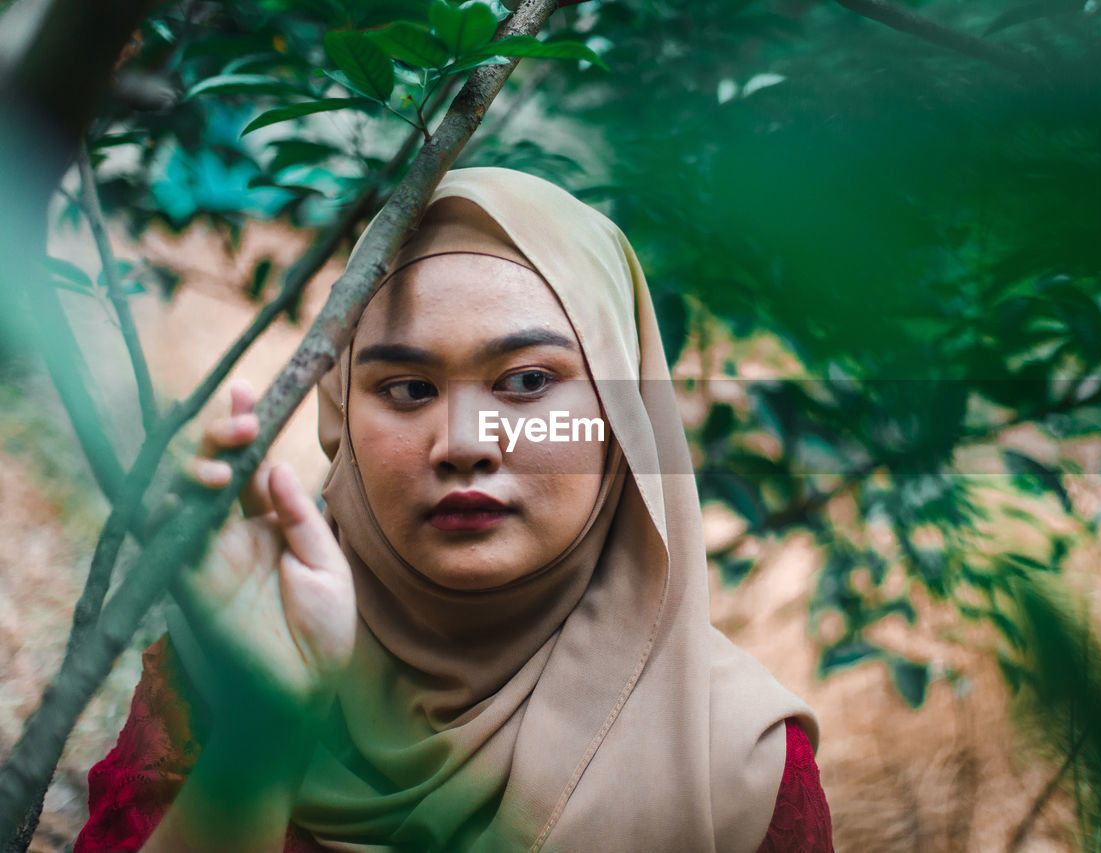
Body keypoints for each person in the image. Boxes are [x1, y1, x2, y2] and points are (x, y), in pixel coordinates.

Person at [75, 167, 834, 852]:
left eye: (528, 381)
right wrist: (260, 734)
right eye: (407, 388)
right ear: (341, 415)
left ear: (623, 416)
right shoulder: (231, 667)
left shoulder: (739, 769)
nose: (464, 444)